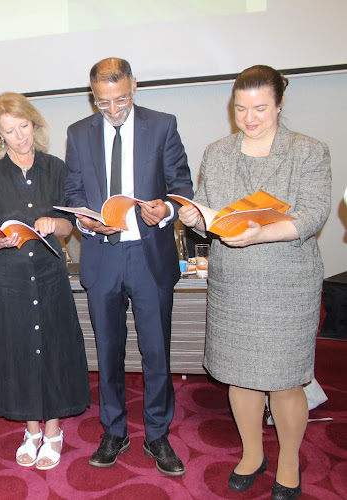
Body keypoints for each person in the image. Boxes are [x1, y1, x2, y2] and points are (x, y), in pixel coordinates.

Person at [179, 65, 331, 499]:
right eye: (241, 108)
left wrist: (262, 232)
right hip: (235, 283)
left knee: (285, 379)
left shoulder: (308, 151)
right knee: (240, 376)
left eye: (260, 108)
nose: (249, 118)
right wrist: (195, 217)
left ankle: (287, 460)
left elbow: (313, 213)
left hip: (287, 281)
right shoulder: (219, 151)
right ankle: (251, 454)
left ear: (280, 104)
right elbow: (209, 211)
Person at [64, 57, 193, 476]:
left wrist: (167, 208)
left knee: (156, 352)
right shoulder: (78, 133)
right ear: (93, 96)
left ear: (134, 86)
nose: (114, 111)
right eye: (103, 103)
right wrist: (82, 218)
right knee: (109, 351)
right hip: (103, 255)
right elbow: (73, 190)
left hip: (148, 256)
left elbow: (181, 185)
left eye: (121, 100)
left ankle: (157, 435)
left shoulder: (162, 124)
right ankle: (114, 430)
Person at [0, 93, 90, 470]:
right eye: (9, 130)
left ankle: (53, 430)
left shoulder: (57, 168)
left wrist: (57, 224)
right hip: (6, 278)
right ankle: (31, 430)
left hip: (49, 274)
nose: (19, 136)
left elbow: (70, 223)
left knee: (52, 347)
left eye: (24, 126)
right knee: (18, 350)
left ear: (34, 125)